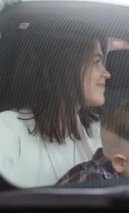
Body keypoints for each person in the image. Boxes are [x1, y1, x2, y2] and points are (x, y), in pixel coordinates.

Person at [0, 21, 111, 187]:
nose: (107, 74)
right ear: (66, 67)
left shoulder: (99, 131)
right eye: (97, 62)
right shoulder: (7, 130)